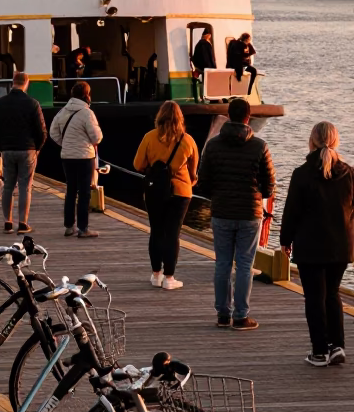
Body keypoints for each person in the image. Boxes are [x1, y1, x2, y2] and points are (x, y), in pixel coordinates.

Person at [197, 96, 276, 330]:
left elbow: (203, 182)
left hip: (222, 211)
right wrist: (256, 193)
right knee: (244, 264)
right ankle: (241, 316)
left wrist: (218, 196)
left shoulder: (212, 145)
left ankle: (222, 314)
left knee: (222, 263)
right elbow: (269, 184)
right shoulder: (259, 146)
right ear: (248, 117)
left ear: (228, 116)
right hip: (250, 214)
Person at [280, 123, 354, 367]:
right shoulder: (350, 174)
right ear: (336, 141)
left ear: (311, 141)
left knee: (314, 297)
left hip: (310, 245)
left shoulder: (301, 173)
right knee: (332, 294)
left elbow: (292, 211)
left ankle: (320, 351)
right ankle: (338, 346)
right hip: (341, 246)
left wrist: (285, 241)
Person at [133, 101, 199, 290]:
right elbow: (194, 172)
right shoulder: (188, 141)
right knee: (172, 234)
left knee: (156, 231)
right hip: (180, 193)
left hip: (154, 190)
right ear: (180, 119)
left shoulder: (149, 137)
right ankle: (170, 278)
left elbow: (138, 164)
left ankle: (156, 275)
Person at [0, 72, 47, 234]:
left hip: (7, 150)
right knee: (25, 187)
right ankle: (22, 223)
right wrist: (38, 148)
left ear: (13, 82)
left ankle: (8, 222)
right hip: (27, 149)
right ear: (26, 83)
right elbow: (41, 131)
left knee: (8, 186)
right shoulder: (32, 103)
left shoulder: (1, 103)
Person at [49, 80, 103, 238]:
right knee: (84, 192)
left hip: (67, 156)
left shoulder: (62, 111)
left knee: (70, 190)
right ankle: (83, 228)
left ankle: (68, 226)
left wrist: (65, 144)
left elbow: (53, 132)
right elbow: (96, 137)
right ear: (86, 95)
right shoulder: (87, 113)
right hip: (84, 157)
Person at [192, 28, 216, 99]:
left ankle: (203, 96)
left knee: (203, 82)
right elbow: (207, 57)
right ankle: (206, 96)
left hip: (200, 67)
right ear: (208, 35)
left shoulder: (198, 44)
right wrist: (211, 67)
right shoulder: (205, 44)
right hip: (206, 67)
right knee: (206, 82)